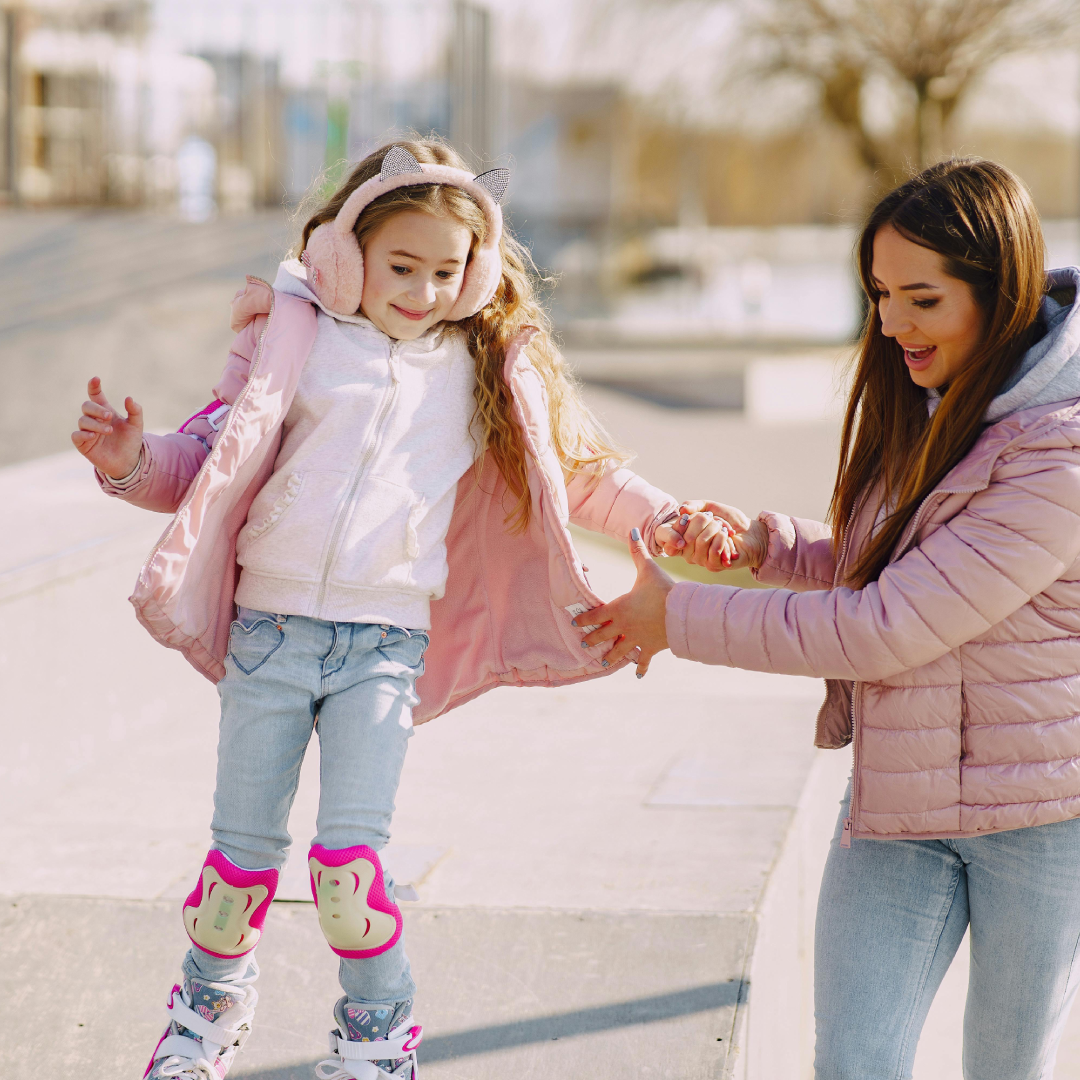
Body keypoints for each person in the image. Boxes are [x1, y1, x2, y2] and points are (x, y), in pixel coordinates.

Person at [72, 139, 721, 1080]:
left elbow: (577, 475)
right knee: (237, 870)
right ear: (343, 256)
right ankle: (202, 1021)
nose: (419, 290)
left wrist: (669, 519)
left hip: (383, 646)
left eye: (444, 271)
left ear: (476, 275)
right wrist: (129, 460)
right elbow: (202, 463)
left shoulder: (484, 367)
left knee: (349, 878)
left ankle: (378, 1039)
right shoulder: (291, 342)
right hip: (270, 635)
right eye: (399, 266)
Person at [576, 157, 1080, 1078]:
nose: (890, 324)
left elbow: (886, 625)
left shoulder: (1061, 457)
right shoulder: (937, 402)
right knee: (854, 1064)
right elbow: (896, 557)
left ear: (999, 291)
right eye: (880, 294)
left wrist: (676, 617)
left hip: (1040, 818)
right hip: (901, 806)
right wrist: (762, 547)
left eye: (920, 298)